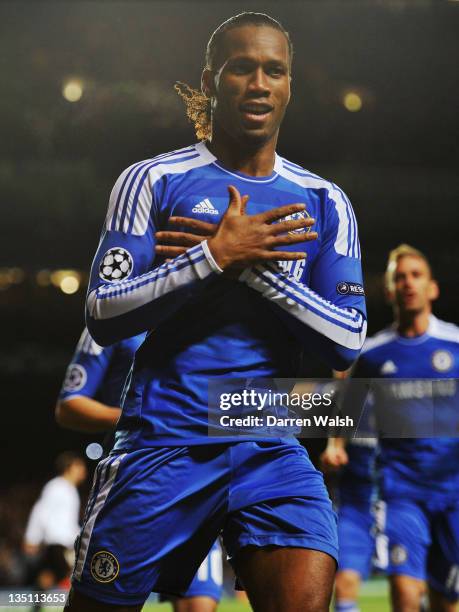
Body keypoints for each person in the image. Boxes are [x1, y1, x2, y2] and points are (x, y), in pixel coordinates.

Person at [66, 12, 367, 611]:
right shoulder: (151, 180)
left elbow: (346, 339)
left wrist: (249, 266)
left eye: (274, 71)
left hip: (271, 447)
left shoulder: (324, 201)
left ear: (289, 86)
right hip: (164, 442)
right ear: (211, 80)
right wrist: (211, 256)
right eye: (242, 68)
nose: (259, 83)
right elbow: (101, 309)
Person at [56, 327, 223, 612]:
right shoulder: (115, 316)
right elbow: (68, 405)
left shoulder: (211, 311)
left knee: (199, 606)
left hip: (201, 483)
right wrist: (149, 413)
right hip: (137, 481)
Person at [348, 244, 459, 612]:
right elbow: (349, 407)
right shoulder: (372, 355)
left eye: (416, 275)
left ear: (432, 288)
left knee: (448, 601)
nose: (408, 282)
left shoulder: (455, 345)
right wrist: (335, 444)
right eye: (400, 277)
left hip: (454, 492)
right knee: (405, 593)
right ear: (389, 290)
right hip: (401, 490)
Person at [320, 372, 380, 612]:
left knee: (416, 587)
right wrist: (331, 455)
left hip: (400, 502)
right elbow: (329, 453)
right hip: (355, 507)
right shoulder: (338, 405)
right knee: (345, 581)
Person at [23, 453, 87, 596]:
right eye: (79, 466)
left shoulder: (69, 489)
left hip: (65, 541)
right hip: (58, 541)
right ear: (69, 468)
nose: (83, 471)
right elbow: (40, 511)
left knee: (50, 575)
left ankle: (39, 604)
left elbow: (67, 520)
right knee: (72, 572)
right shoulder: (56, 487)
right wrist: (31, 537)